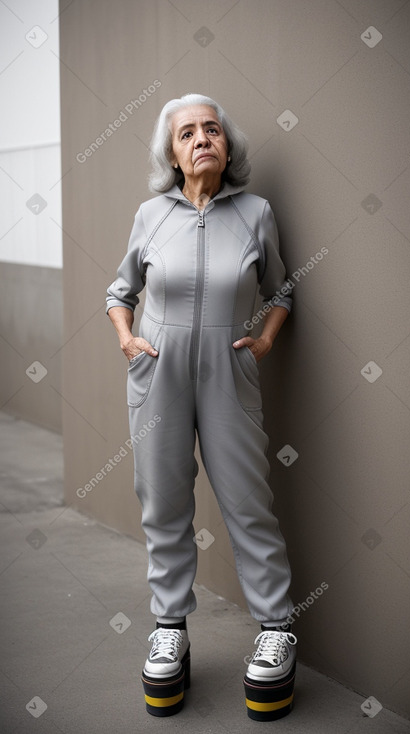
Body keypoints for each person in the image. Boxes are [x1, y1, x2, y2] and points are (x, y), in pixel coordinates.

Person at [106, 93, 297, 720]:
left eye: (211, 129)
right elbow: (120, 290)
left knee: (248, 501)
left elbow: (281, 289)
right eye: (187, 133)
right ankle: (170, 630)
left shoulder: (256, 213)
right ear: (172, 152)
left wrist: (263, 341)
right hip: (157, 372)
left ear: (226, 144)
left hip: (228, 371)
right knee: (162, 498)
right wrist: (128, 339)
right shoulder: (149, 214)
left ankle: (275, 631)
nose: (201, 139)